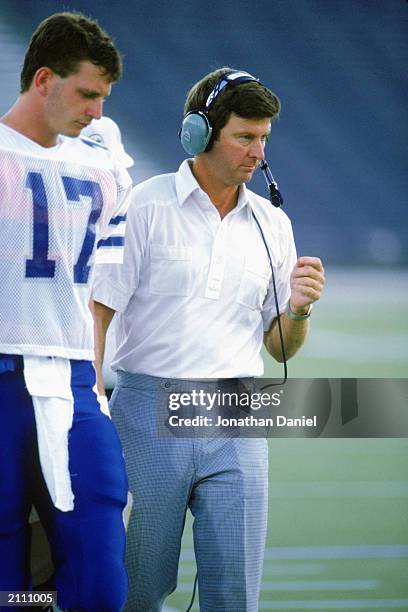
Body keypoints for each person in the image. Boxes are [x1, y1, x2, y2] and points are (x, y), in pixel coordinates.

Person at [92, 67, 325, 611]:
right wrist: (91, 401)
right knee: (136, 589)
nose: (258, 152)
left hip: (239, 413)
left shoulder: (274, 225)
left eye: (264, 137)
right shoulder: (144, 205)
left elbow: (280, 347)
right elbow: (97, 312)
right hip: (147, 411)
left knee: (234, 594)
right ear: (199, 133)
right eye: (245, 136)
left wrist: (299, 309)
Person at [0, 12, 132, 611]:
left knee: (100, 579)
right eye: (87, 94)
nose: (97, 113)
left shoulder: (101, 163)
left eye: (104, 98)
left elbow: (108, 279)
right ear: (43, 79)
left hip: (75, 381)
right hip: (2, 374)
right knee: (10, 589)